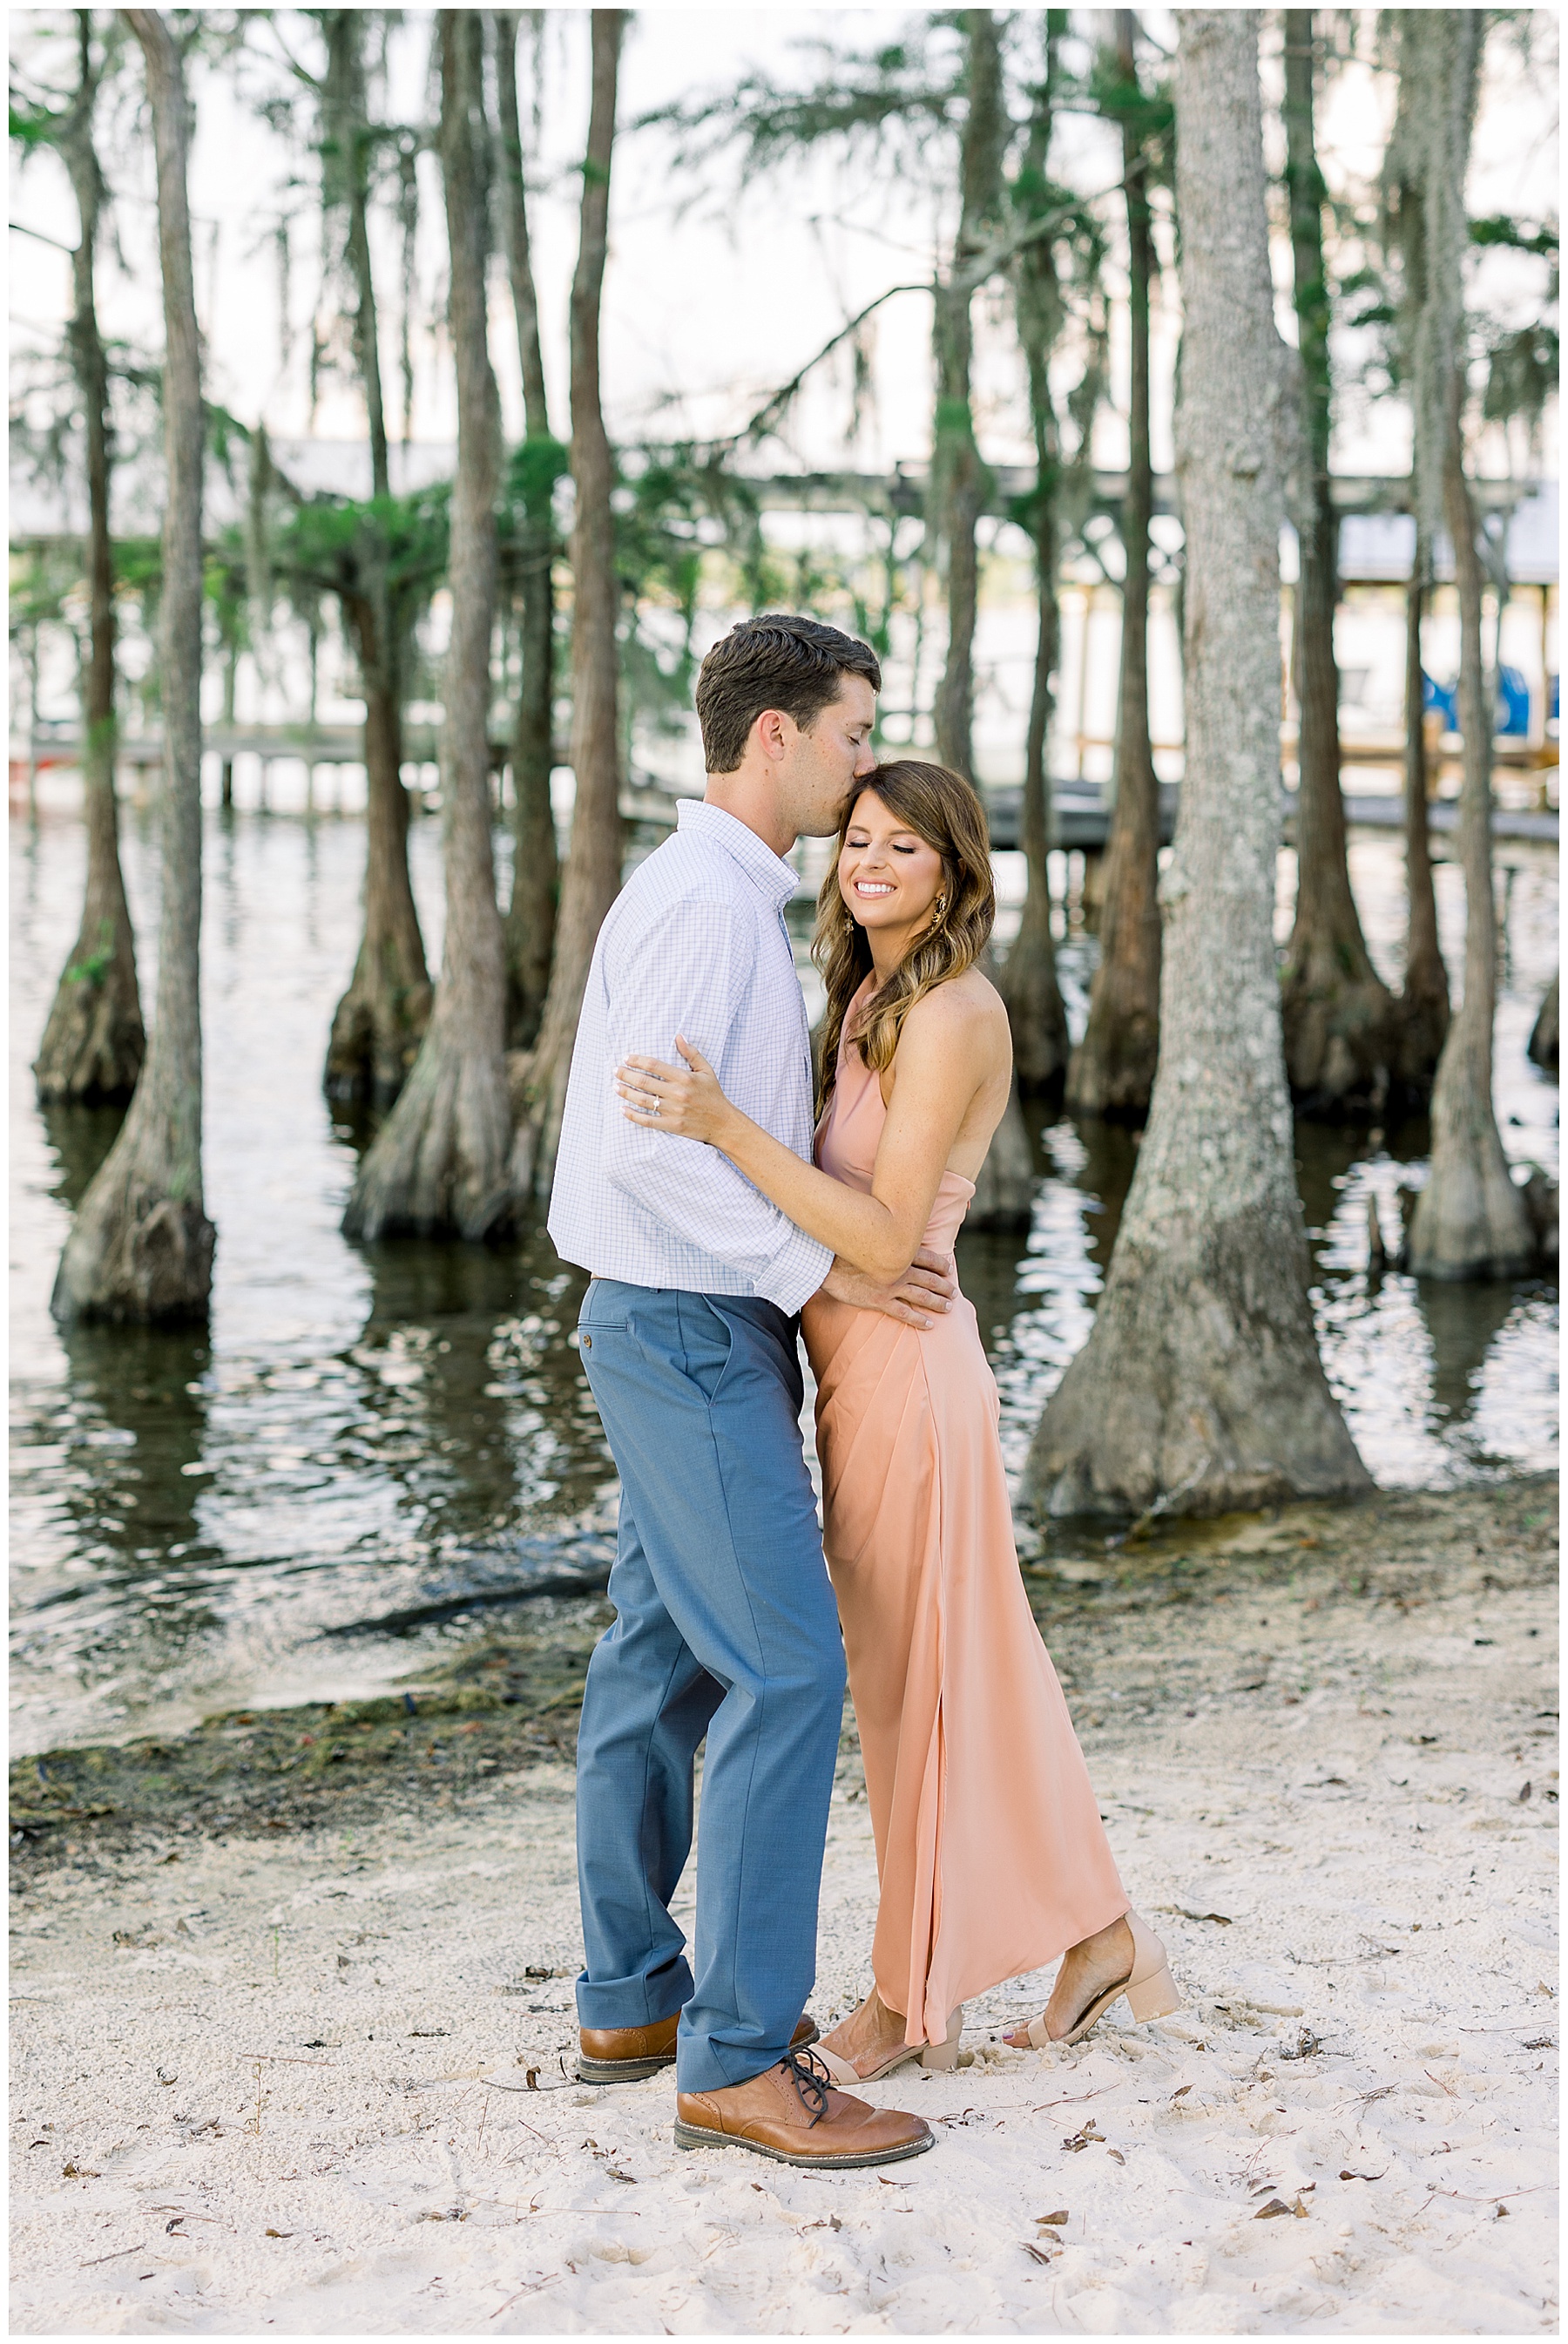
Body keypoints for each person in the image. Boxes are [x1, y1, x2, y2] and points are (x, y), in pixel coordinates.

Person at [616, 756, 1181, 2082]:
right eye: (858, 839)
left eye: (903, 848)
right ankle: (1100, 1932)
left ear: (954, 872)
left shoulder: (952, 1016)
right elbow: (854, 1232)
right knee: (958, 1676)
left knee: (910, 1699)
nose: (869, 861)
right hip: (862, 1373)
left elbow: (877, 1229)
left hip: (912, 1381)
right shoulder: (871, 993)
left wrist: (715, 1126)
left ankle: (910, 2001)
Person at [548, 614, 949, 2171]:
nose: (865, 766)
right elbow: (653, 1151)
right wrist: (817, 1276)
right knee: (790, 1668)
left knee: (658, 1660)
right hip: (690, 1326)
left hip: (679, 1325)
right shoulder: (705, 909)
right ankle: (733, 2058)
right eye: (855, 734)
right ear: (774, 734)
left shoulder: (715, 895)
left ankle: (631, 1995)